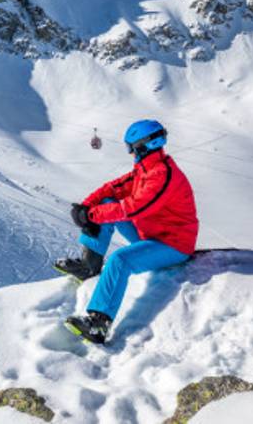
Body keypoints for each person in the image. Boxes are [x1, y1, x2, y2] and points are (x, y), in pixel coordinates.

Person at [56, 120, 198, 344]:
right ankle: (89, 265)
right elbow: (113, 188)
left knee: (120, 260)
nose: (130, 153)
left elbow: (133, 208)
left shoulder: (163, 175)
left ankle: (98, 324)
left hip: (173, 244)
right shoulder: (145, 170)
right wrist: (86, 206)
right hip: (150, 234)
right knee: (107, 202)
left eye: (131, 147)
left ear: (143, 146)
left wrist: (91, 216)